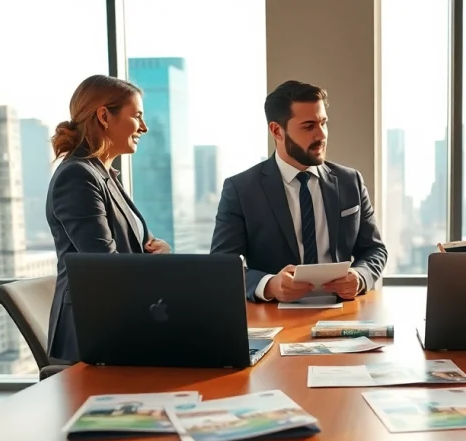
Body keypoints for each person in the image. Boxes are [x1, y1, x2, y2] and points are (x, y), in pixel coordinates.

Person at [210, 80, 388, 303]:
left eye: (323, 123)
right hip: (274, 317)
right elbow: (221, 265)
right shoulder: (241, 189)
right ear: (277, 131)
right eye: (308, 126)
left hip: (343, 314)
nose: (321, 135)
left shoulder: (350, 181)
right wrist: (269, 285)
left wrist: (360, 277)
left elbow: (374, 250)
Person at [45, 74, 170, 363]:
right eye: (137, 116)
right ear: (104, 116)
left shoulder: (105, 175)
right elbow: (105, 267)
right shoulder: (78, 176)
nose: (145, 127)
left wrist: (157, 251)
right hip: (93, 335)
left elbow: (127, 250)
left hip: (119, 323)